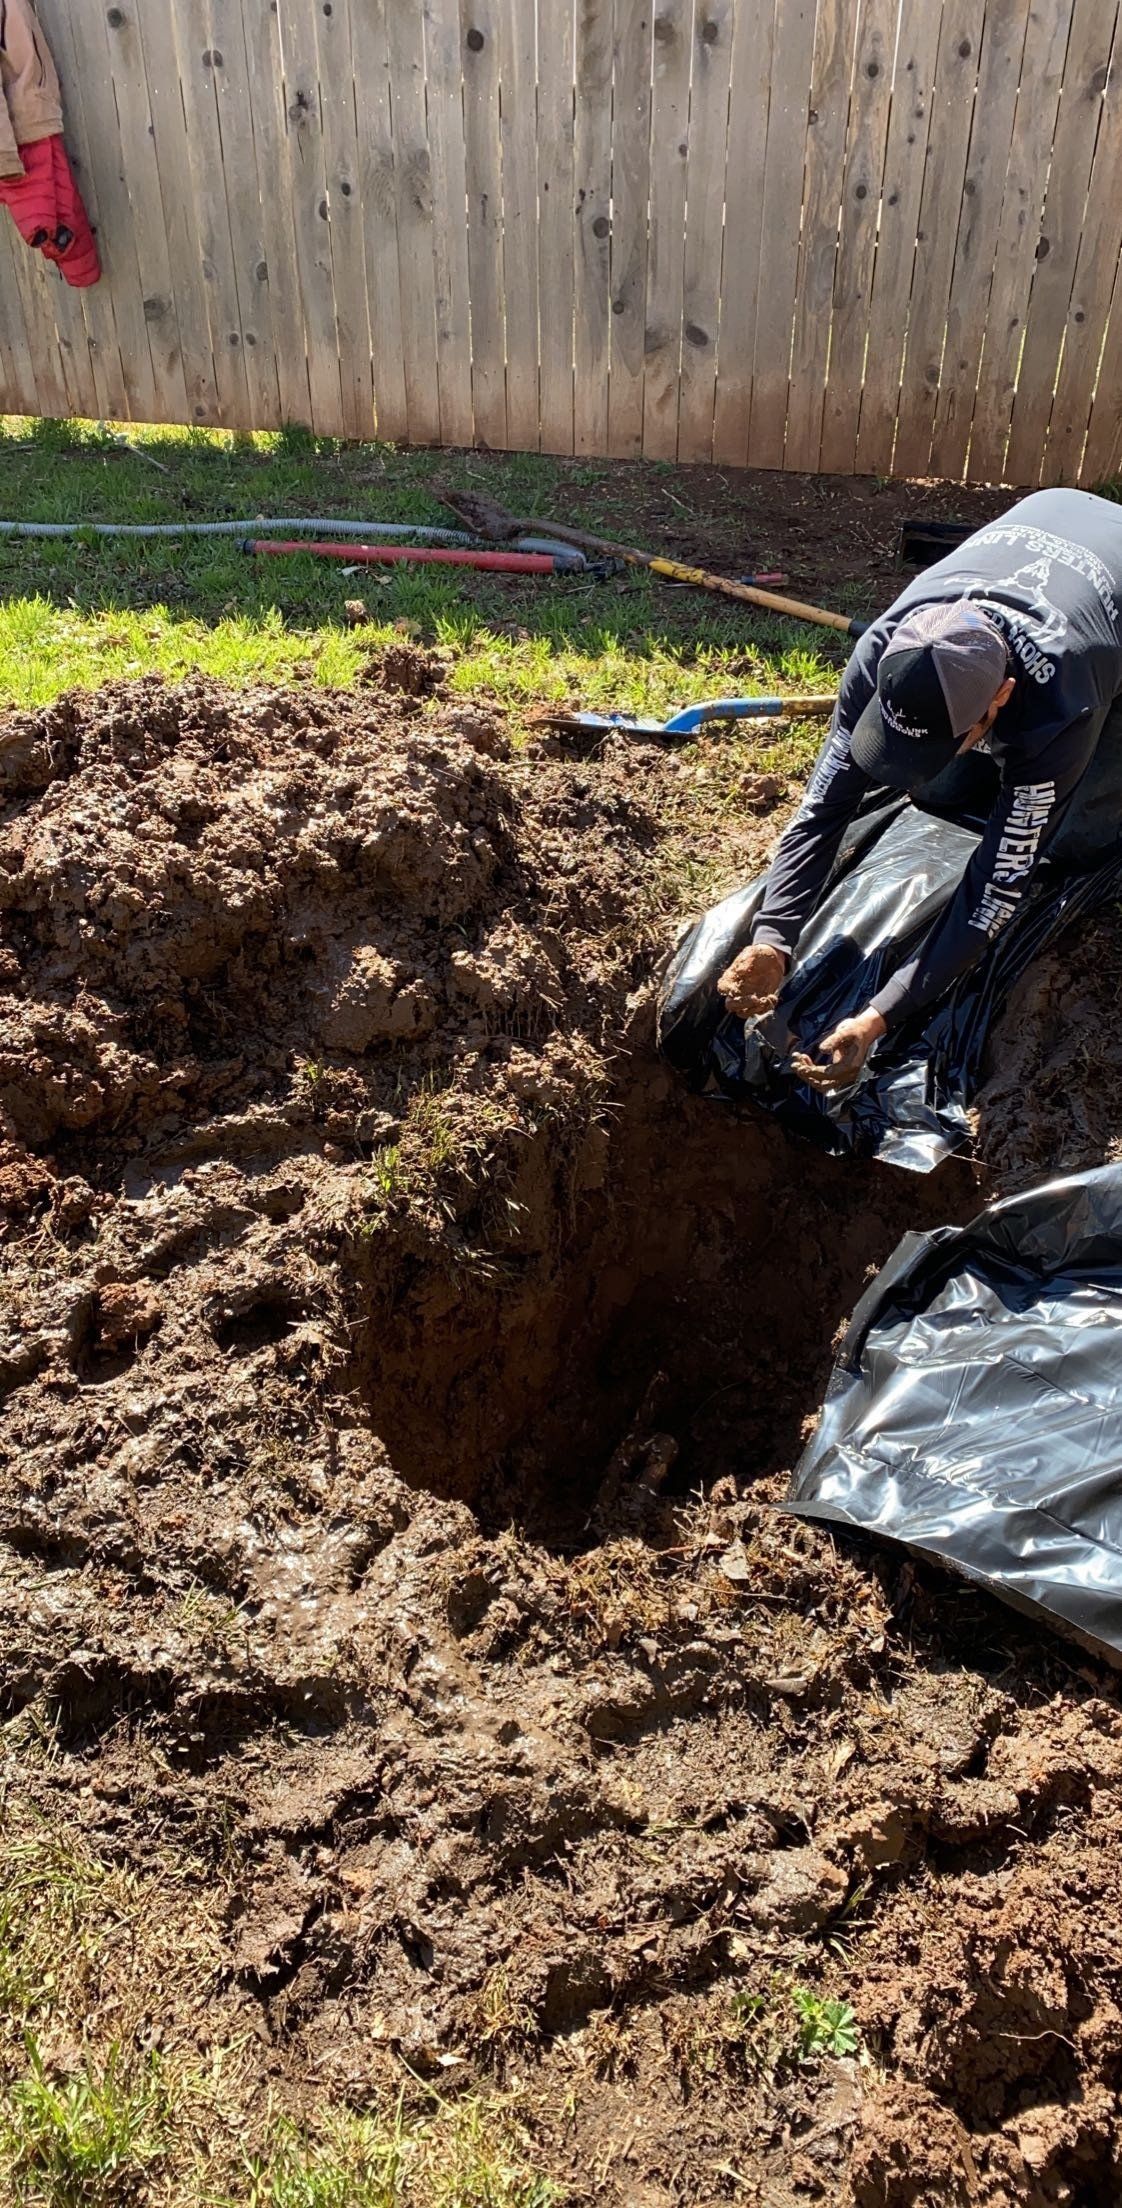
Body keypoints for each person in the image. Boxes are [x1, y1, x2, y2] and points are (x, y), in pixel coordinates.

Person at [719, 488, 1122, 1091]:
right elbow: (823, 810)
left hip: (1105, 606)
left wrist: (880, 1015)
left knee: (1077, 837)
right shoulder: (884, 650)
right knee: (939, 790)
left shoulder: (1061, 704)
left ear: (1001, 696)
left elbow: (997, 884)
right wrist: (773, 937)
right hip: (1049, 513)